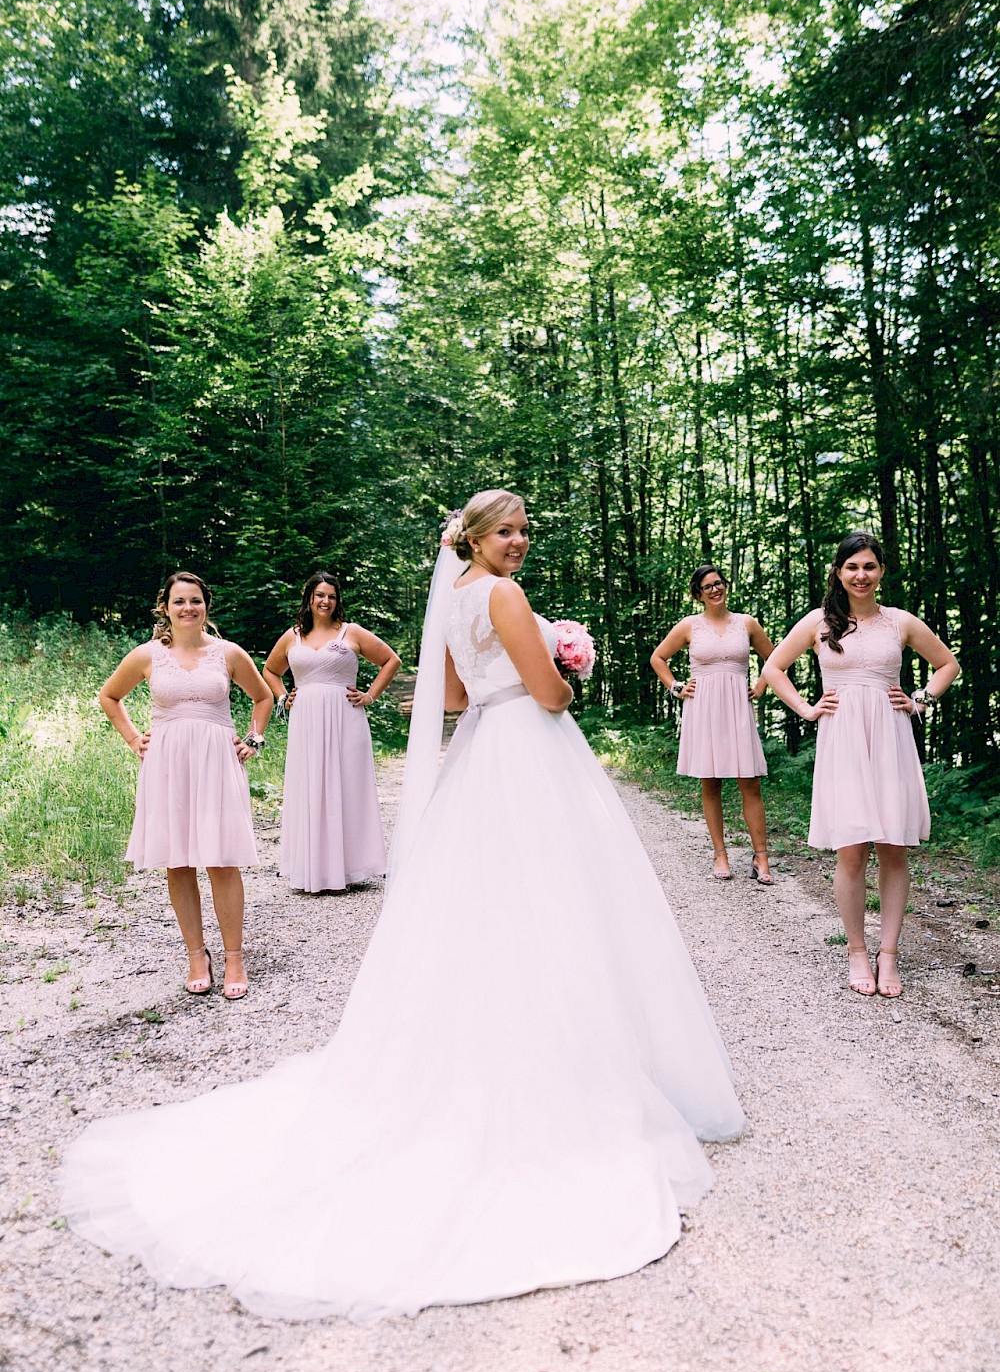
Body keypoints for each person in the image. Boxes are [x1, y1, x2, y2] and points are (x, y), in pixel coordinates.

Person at [62, 491, 743, 1322]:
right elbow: (550, 697)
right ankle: (563, 1066)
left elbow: (454, 700)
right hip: (529, 751)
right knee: (557, 905)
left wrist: (530, 669)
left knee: (487, 912)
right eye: (507, 532)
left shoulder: (453, 598)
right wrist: (568, 665)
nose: (519, 543)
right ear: (476, 539)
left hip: (480, 753)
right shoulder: (502, 594)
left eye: (525, 531)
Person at [762, 532, 960, 998]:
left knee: (893, 847)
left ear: (881, 572)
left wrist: (920, 700)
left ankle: (888, 954)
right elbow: (773, 668)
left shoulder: (900, 623)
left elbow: (947, 664)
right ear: (838, 572)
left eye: (869, 566)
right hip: (843, 739)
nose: (861, 575)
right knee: (852, 849)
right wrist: (807, 709)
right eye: (852, 567)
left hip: (890, 737)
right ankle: (856, 950)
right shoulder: (818, 622)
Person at [98, 571, 273, 1000]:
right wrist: (133, 737)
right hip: (168, 764)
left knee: (221, 860)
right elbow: (109, 696)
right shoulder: (146, 656)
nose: (188, 608)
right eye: (179, 602)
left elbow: (263, 697)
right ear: (166, 608)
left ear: (205, 606)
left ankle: (234, 957)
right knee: (177, 861)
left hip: (216, 761)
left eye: (195, 600)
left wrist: (254, 738)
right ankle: (197, 955)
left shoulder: (228, 653)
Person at [262, 573, 401, 893]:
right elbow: (270, 670)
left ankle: (348, 868)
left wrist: (370, 696)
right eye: (320, 595)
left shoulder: (350, 632)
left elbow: (391, 660)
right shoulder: (292, 637)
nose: (325, 601)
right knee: (310, 786)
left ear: (337, 601)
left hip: (345, 717)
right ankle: (312, 868)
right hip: (306, 720)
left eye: (332, 597)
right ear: (309, 598)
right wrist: (284, 697)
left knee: (346, 785)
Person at [650, 566, 776, 883]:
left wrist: (760, 687)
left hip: (737, 707)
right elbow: (657, 658)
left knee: (749, 782)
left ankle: (761, 858)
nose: (716, 589)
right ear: (698, 594)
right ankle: (720, 854)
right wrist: (675, 686)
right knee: (711, 783)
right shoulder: (689, 626)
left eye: (719, 583)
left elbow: (775, 659)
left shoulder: (746, 623)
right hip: (703, 707)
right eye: (708, 587)